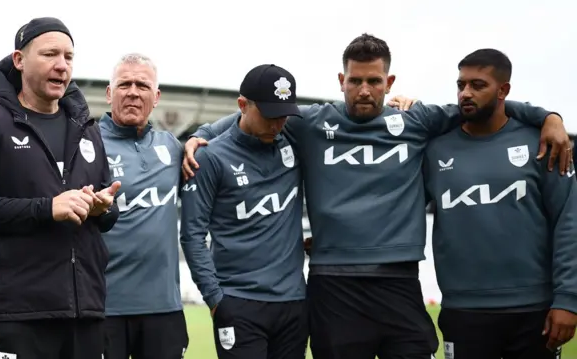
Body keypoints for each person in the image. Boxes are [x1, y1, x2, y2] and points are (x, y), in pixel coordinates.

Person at [181, 33, 572, 359]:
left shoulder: (417, 121)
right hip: (333, 285)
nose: (364, 90)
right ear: (341, 80)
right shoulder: (312, 123)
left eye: (374, 81)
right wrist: (204, 133)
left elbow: (482, 106)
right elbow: (254, 116)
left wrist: (547, 117)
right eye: (355, 81)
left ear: (390, 82)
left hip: (398, 280)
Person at [0, 17, 120, 359]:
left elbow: (107, 212)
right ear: (19, 60)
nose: (61, 65)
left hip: (85, 313)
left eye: (69, 57)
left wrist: (104, 208)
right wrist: (47, 208)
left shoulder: (87, 129)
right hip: (20, 314)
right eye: (50, 54)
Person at [422, 48, 577, 359]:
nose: (465, 93)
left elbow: (568, 221)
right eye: (461, 84)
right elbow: (395, 206)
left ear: (504, 90)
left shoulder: (544, 143)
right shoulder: (435, 149)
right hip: (463, 311)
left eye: (478, 85)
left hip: (534, 310)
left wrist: (567, 299)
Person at [180, 64, 308, 359]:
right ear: (242, 105)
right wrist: (215, 300)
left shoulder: (293, 142)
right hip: (239, 302)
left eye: (284, 114)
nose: (278, 124)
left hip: (294, 303)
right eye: (269, 114)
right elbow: (192, 237)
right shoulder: (210, 157)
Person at [99, 53, 189, 359]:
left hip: (164, 309)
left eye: (142, 85)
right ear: (109, 93)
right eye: (124, 84)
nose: (133, 92)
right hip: (103, 308)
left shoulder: (172, 147)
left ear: (156, 96)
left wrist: (201, 135)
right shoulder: (87, 146)